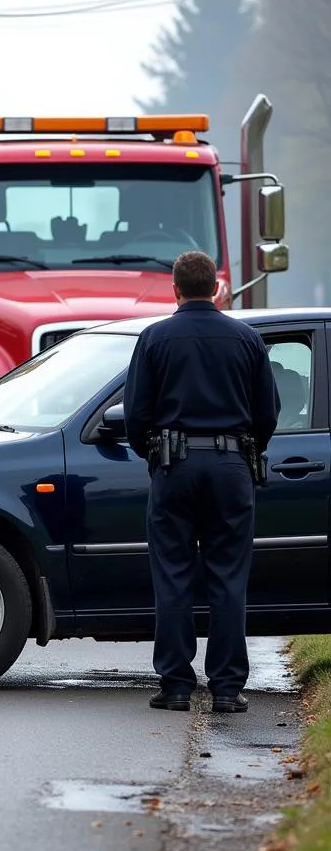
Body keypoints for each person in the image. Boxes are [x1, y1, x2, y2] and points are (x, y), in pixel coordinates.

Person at [124, 251, 280, 714]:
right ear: (217, 289)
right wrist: (242, 447)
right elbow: (267, 413)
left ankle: (175, 686)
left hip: (174, 466)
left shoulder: (154, 338)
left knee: (172, 577)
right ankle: (228, 689)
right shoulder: (247, 339)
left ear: (175, 289)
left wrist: (153, 456)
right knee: (228, 578)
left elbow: (136, 414)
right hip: (232, 465)